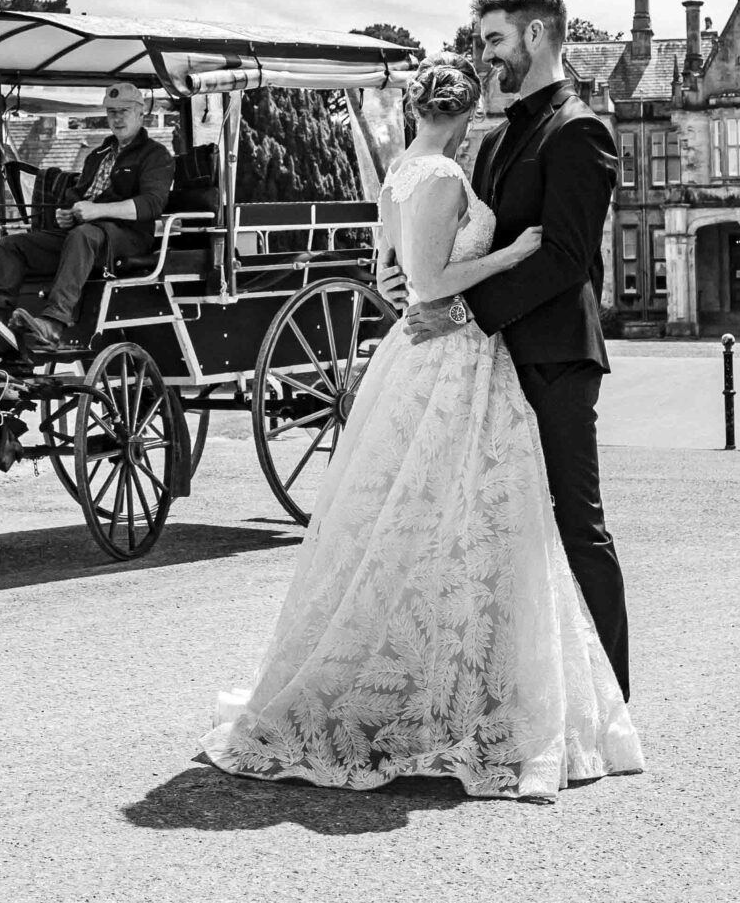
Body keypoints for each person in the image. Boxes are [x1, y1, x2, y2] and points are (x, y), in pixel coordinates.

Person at [201, 56, 644, 799]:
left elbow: (390, 272)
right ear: (466, 112)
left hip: (421, 349)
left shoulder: (402, 171)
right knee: (473, 521)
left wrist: (404, 284)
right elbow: (433, 282)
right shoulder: (439, 174)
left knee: (424, 520)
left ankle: (453, 680)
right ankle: (454, 690)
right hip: (453, 352)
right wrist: (513, 249)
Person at [403, 0, 632, 698]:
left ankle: (612, 698)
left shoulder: (580, 130)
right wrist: (418, 283)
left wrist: (465, 312)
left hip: (557, 355)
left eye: (495, 40)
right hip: (489, 363)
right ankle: (512, 691)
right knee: (495, 529)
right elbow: (469, 247)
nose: (484, 57)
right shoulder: (496, 136)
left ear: (535, 37)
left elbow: (567, 257)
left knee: (577, 524)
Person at [0, 80, 174, 353]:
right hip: (85, 237)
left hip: (127, 238)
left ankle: (54, 321)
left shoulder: (156, 155)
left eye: (124, 111)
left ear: (140, 113)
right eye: (111, 112)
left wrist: (97, 211)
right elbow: (77, 195)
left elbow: (151, 205)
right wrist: (67, 213)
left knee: (82, 236)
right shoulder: (97, 154)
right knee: (13, 245)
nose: (117, 118)